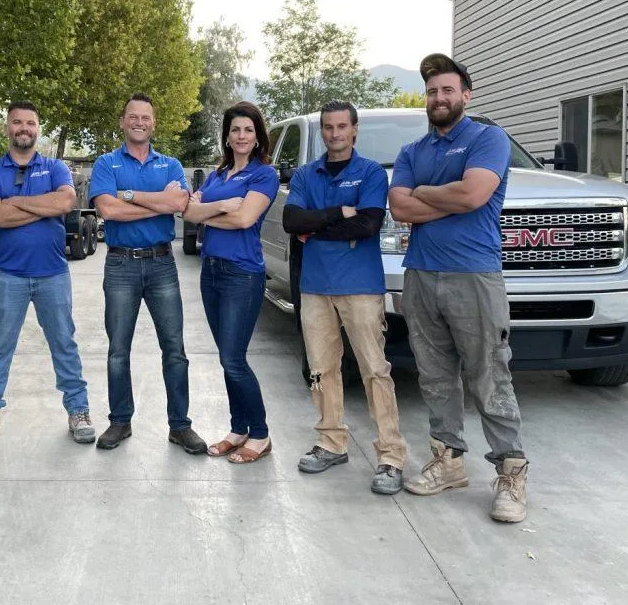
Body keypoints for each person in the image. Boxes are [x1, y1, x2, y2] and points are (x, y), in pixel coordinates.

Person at [389, 53, 529, 523]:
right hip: (421, 274)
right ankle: (448, 462)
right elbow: (400, 209)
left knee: (489, 374)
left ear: (466, 95)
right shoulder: (412, 151)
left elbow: (473, 195)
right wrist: (450, 196)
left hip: (474, 275)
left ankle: (511, 473)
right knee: (435, 377)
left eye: (447, 90)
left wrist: (425, 193)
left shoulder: (488, 138)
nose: (439, 97)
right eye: (432, 91)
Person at [283, 100, 408, 494]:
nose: (334, 134)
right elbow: (291, 221)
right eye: (328, 127)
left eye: (341, 126)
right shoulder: (306, 174)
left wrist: (315, 228)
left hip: (360, 286)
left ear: (354, 130)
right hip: (315, 286)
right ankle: (332, 441)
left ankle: (391, 455)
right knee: (322, 369)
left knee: (374, 369)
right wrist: (339, 212)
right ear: (322, 131)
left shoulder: (370, 172)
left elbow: (368, 224)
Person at [0, 102, 93, 455]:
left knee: (64, 345)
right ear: (7, 128)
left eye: (31, 123)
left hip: (53, 273)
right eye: (17, 122)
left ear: (38, 129)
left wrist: (14, 202)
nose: (24, 128)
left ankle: (78, 411)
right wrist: (41, 206)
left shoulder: (55, 167)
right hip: (7, 275)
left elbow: (65, 203)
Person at [89, 94, 206, 454]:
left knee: (174, 349)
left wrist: (127, 195)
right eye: (133, 117)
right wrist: (158, 203)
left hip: (161, 264)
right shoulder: (105, 163)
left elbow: (179, 203)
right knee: (117, 350)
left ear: (154, 124)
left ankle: (180, 426)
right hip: (120, 265)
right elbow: (108, 211)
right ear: (122, 122)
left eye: (146, 118)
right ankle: (119, 421)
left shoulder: (170, 165)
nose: (139, 122)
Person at [182, 101, 278, 464]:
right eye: (235, 129)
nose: (241, 136)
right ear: (227, 136)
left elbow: (244, 221)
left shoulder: (263, 175)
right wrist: (224, 207)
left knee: (233, 358)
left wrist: (206, 213)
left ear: (257, 137)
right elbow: (188, 213)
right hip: (211, 272)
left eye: (248, 130)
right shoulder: (217, 175)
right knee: (227, 357)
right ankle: (239, 429)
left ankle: (261, 433)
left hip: (242, 273)